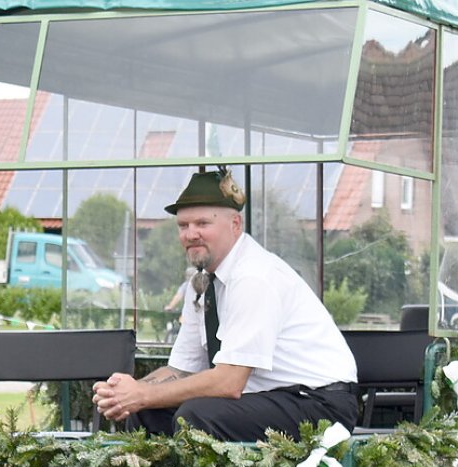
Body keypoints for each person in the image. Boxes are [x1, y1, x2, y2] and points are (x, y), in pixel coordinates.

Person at [93, 169, 357, 440]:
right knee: (146, 411)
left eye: (202, 223)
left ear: (235, 224)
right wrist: (124, 394)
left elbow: (229, 382)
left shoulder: (254, 276)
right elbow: (181, 370)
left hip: (319, 405)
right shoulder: (203, 284)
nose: (191, 234)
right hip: (269, 399)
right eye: (183, 226)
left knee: (194, 415)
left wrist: (143, 394)